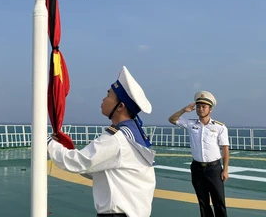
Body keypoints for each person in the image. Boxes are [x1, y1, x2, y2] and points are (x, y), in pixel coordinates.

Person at [47, 66, 156, 217]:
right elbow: (100, 169)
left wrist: (47, 143)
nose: (103, 99)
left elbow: (78, 162)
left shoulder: (117, 139)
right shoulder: (130, 136)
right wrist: (65, 147)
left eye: (108, 95)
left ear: (120, 106)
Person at [168, 91, 229, 217]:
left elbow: (225, 149)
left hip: (214, 168)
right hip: (197, 168)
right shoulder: (190, 124)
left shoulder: (219, 127)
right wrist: (184, 110)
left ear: (210, 109)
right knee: (203, 202)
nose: (200, 109)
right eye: (198, 106)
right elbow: (172, 119)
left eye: (204, 107)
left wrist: (225, 169)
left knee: (219, 201)